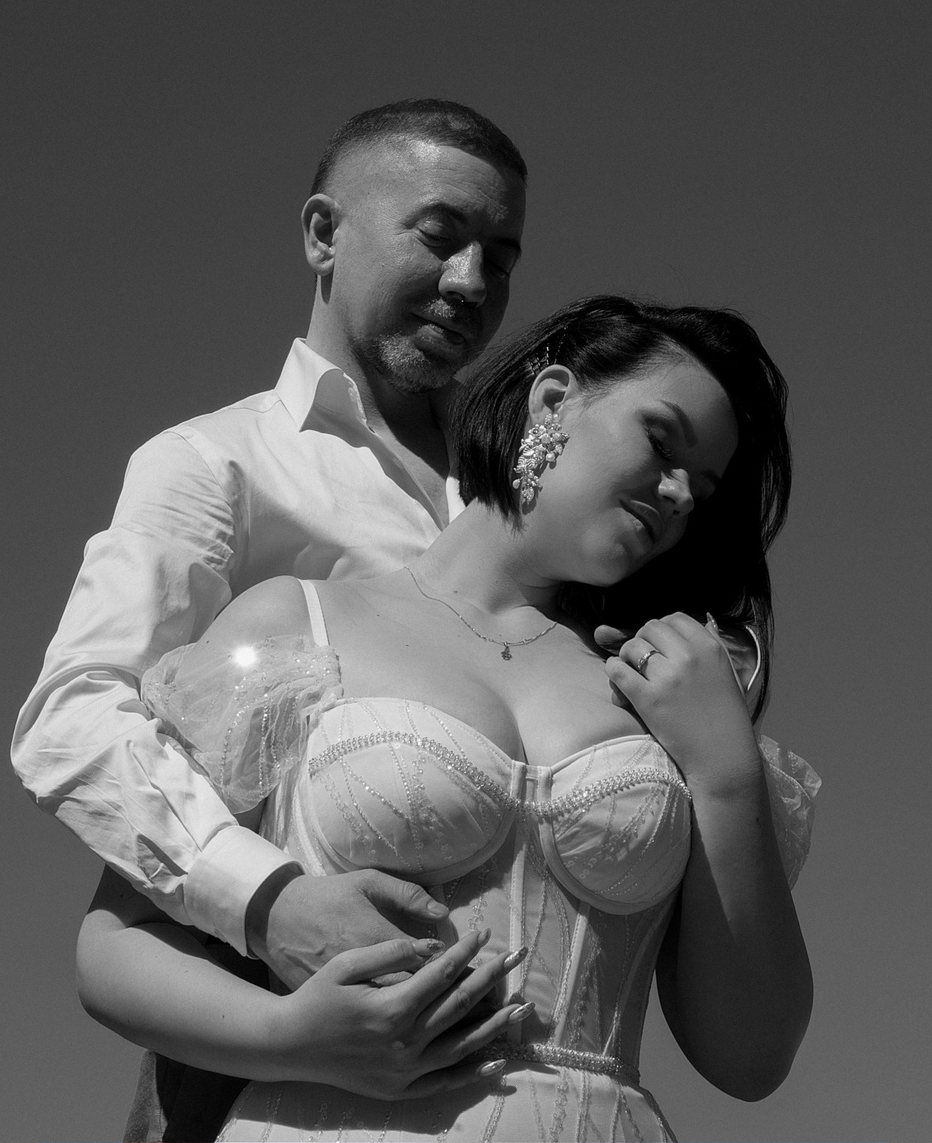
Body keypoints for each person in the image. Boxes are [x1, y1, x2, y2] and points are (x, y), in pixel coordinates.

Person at [76, 296, 818, 1141]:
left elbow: (753, 1058)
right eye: (661, 441)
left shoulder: (672, 695)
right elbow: (113, 949)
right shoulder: (297, 626)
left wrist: (725, 774)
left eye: (704, 486)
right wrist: (292, 1037)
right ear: (553, 400)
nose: (680, 493)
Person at [13, 98, 533, 1138]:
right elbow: (75, 711)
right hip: (265, 1047)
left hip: (520, 1057)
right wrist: (273, 900)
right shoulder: (218, 464)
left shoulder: (523, 495)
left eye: (502, 254)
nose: (473, 281)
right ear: (322, 234)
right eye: (440, 236)